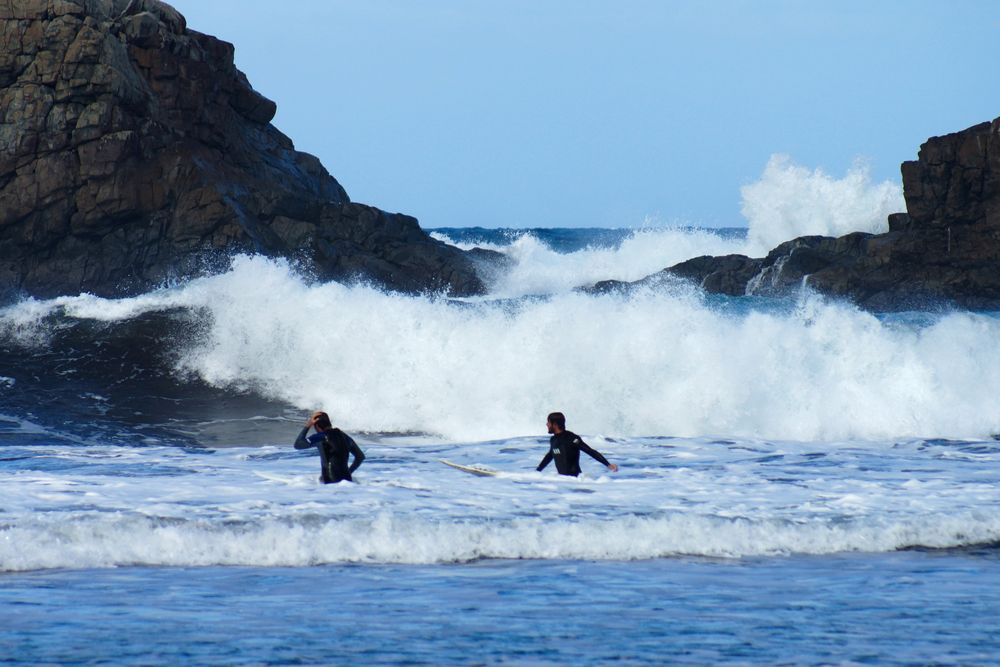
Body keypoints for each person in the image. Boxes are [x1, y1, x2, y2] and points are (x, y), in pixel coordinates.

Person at [536, 411, 618, 476]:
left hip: (575, 480)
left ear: (555, 424)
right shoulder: (553, 439)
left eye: (548, 422)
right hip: (563, 481)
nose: (547, 424)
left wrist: (608, 464)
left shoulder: (572, 438)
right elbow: (550, 456)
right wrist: (537, 472)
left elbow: (589, 451)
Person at [294, 411, 365, 483]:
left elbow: (298, 444)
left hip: (330, 483)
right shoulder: (344, 436)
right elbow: (360, 457)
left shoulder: (321, 437)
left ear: (317, 426)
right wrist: (349, 472)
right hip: (347, 481)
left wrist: (308, 425)